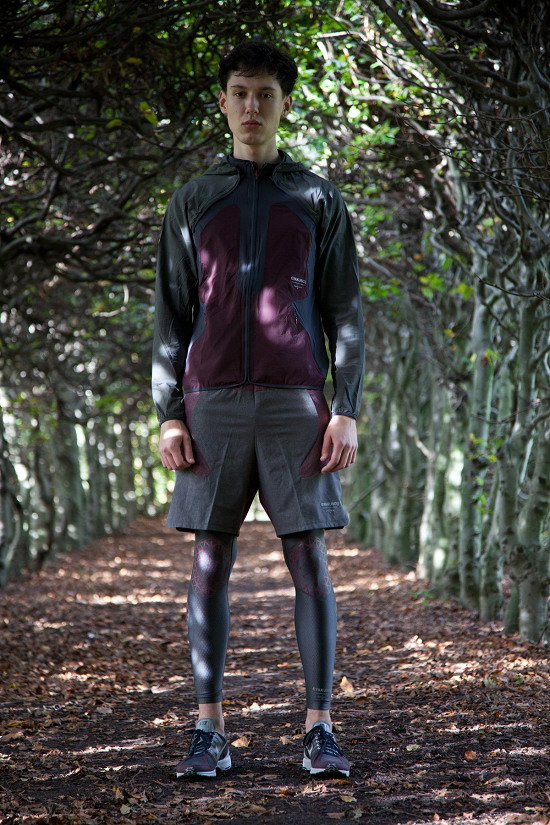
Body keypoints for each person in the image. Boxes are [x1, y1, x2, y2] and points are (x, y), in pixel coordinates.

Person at [152, 40, 364, 780]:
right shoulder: (192, 199)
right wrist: (169, 411)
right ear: (223, 101)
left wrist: (346, 407)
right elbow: (171, 315)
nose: (251, 106)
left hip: (295, 401)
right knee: (210, 556)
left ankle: (319, 727)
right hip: (209, 402)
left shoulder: (318, 199)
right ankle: (208, 729)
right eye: (240, 92)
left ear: (284, 103)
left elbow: (345, 311)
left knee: (308, 556)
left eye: (265, 94)